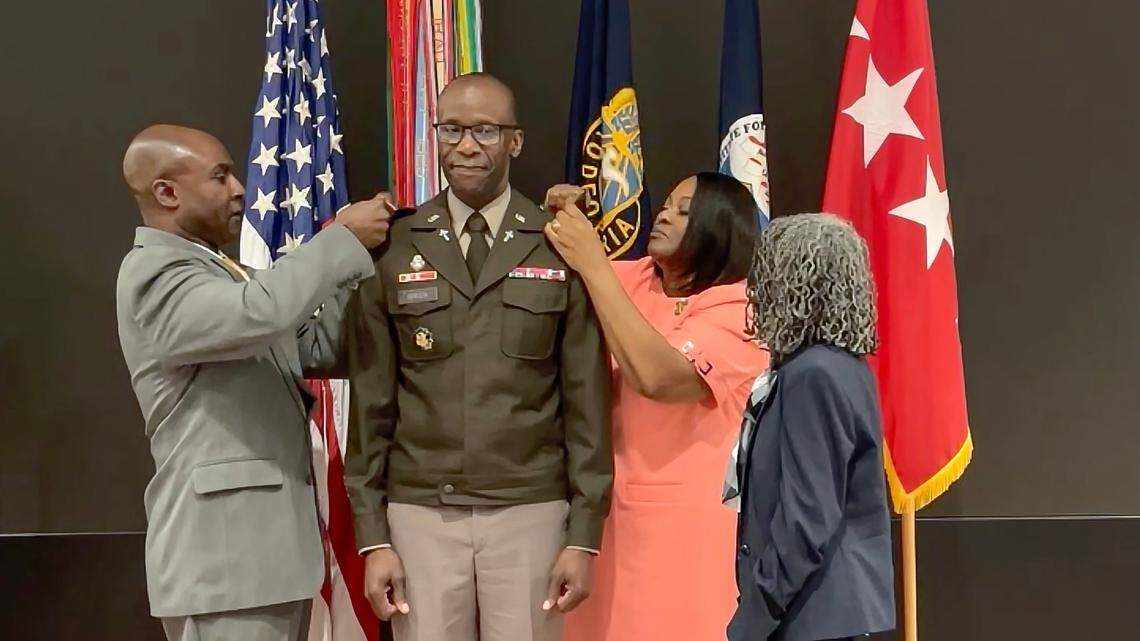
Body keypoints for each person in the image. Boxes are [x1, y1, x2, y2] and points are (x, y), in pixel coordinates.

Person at [343, 73, 612, 641]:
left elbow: (587, 401)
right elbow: (370, 406)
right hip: (420, 513)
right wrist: (373, 536)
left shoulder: (558, 241)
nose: (467, 146)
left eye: (485, 130)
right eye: (452, 130)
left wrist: (583, 533)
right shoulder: (393, 244)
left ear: (515, 141)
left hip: (530, 509)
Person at [115, 124, 393, 641]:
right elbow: (261, 312)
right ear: (166, 192)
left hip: (264, 560)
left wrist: (372, 268)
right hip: (225, 566)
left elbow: (313, 347)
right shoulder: (154, 274)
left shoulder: (221, 273)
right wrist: (340, 240)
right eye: (219, 177)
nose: (239, 188)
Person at [542, 173, 769, 641]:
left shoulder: (742, 311)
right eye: (666, 204)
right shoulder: (634, 276)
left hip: (683, 535)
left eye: (685, 210)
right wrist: (561, 213)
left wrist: (594, 263)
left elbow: (657, 376)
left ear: (720, 229)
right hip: (598, 523)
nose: (664, 214)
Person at [728, 214, 895, 641]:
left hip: (811, 616)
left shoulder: (813, 375)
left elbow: (808, 517)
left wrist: (753, 618)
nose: (756, 291)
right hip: (823, 613)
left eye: (766, 275)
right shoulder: (843, 368)